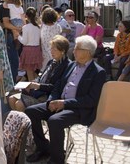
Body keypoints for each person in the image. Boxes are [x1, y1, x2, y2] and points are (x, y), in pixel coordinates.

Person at [25, 35, 106, 163]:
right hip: (60, 102)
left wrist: (64, 103)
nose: (73, 51)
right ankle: (43, 148)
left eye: (77, 49)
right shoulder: (72, 65)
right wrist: (51, 100)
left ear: (87, 52)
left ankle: (57, 159)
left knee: (54, 121)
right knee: (31, 111)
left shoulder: (98, 72)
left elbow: (91, 100)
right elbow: (58, 86)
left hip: (78, 109)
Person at [9, 35, 70, 111]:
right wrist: (33, 83)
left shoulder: (66, 66)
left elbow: (57, 88)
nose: (51, 51)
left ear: (62, 51)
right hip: (37, 92)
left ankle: (26, 122)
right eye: (51, 48)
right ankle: (19, 121)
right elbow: (41, 76)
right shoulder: (51, 62)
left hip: (47, 97)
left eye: (54, 49)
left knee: (19, 104)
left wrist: (38, 86)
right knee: (11, 99)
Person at [0, 0, 20, 82]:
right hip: (7, 35)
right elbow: (6, 23)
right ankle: (12, 82)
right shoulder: (5, 7)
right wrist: (18, 28)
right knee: (13, 61)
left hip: (1, 36)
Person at [15, 7, 42, 81]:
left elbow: (24, 42)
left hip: (28, 51)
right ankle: (35, 87)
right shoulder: (38, 27)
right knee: (33, 72)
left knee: (29, 73)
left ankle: (32, 90)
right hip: (36, 50)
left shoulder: (26, 27)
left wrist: (18, 36)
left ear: (26, 16)